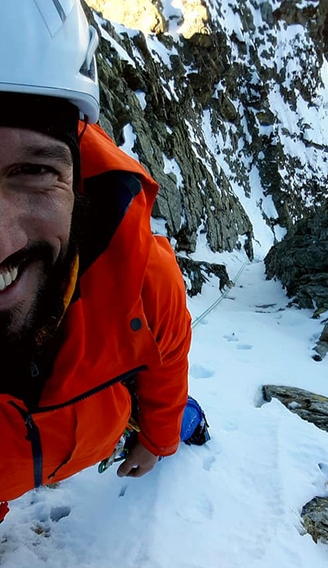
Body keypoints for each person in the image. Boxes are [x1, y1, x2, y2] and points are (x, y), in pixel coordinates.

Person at [0, 0, 206, 523]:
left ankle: (183, 423)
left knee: (170, 407)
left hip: (105, 427)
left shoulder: (141, 276)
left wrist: (156, 442)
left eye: (32, 169)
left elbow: (168, 359)